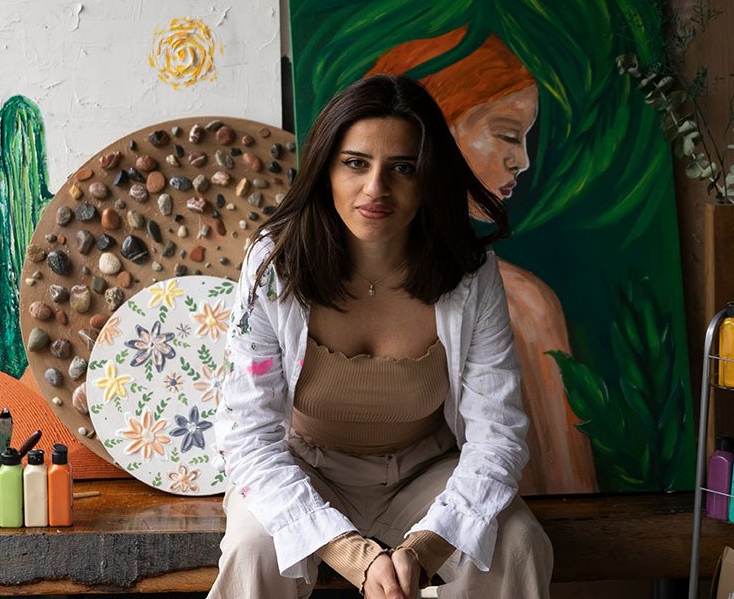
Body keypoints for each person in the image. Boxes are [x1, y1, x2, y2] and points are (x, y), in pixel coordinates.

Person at [209, 74, 553, 598]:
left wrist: (426, 548)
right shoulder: (274, 265)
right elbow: (247, 435)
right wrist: (350, 553)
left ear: (428, 178)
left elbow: (498, 435)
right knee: (252, 548)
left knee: (520, 543)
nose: (376, 189)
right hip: (307, 469)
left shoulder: (470, 274)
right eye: (355, 163)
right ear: (326, 168)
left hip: (426, 472)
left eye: (403, 168)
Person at [367, 26, 598, 494]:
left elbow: (566, 487)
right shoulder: (311, 276)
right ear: (435, 135)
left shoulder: (520, 302)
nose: (524, 161)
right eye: (508, 135)